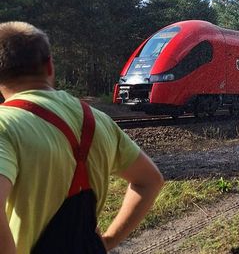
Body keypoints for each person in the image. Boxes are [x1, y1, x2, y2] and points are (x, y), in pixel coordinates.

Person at [0, 21, 164, 253]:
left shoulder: (4, 123)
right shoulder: (99, 120)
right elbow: (150, 180)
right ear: (49, 66)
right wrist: (108, 241)